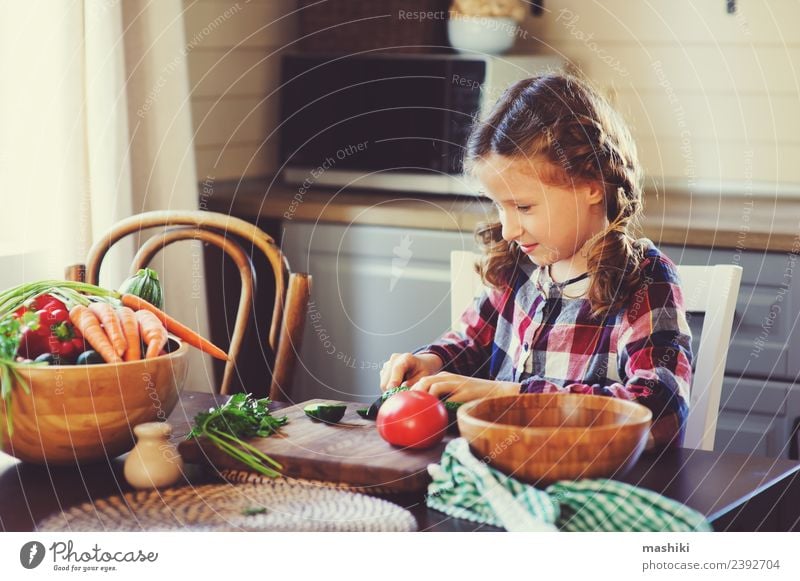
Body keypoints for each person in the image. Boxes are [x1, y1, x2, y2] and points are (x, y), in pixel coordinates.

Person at [379, 73, 692, 449]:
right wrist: (429, 362)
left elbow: (660, 410)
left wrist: (510, 396)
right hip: (499, 474)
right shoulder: (517, 268)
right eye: (499, 206)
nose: (509, 229)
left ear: (591, 185)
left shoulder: (645, 280)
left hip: (591, 487)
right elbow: (468, 344)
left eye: (524, 206)